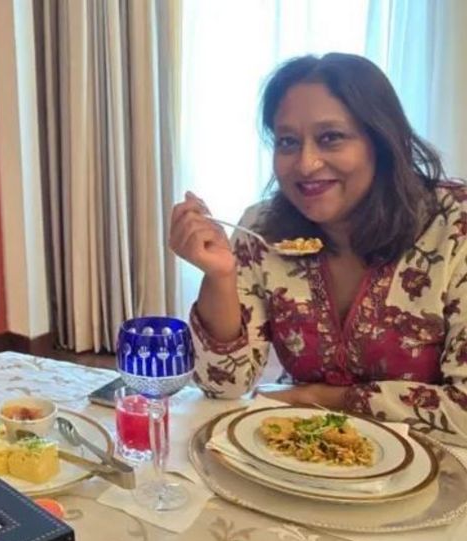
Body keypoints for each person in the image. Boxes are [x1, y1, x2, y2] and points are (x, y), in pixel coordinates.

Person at [170, 53, 467, 447]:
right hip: (300, 452)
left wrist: (324, 398)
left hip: (437, 466)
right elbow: (222, 385)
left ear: (381, 140)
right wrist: (219, 275)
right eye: (288, 142)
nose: (306, 164)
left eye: (331, 137)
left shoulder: (455, 225)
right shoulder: (261, 228)